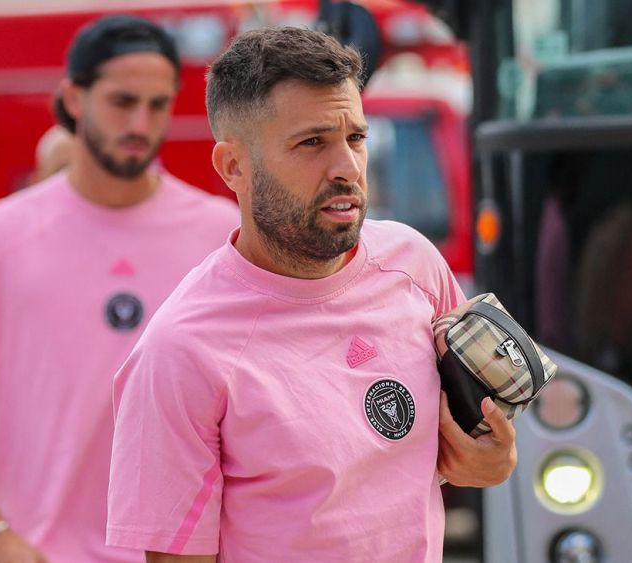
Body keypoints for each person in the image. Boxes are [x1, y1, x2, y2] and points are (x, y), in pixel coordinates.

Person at [106, 27, 517, 562]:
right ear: (234, 167)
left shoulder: (414, 266)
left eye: (356, 138)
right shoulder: (180, 352)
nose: (346, 167)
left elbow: (476, 450)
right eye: (312, 143)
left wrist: (494, 458)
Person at [0, 15, 239, 563]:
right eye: (122, 101)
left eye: (158, 105)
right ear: (74, 99)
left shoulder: (219, 233)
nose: (140, 122)